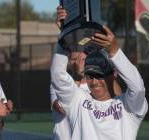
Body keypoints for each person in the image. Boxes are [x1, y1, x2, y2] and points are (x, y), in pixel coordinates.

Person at [50, 20, 148, 140]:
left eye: (100, 75)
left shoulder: (127, 107)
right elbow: (57, 74)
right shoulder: (78, 101)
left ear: (112, 75)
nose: (95, 82)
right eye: (90, 75)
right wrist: (65, 38)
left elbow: (137, 87)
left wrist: (115, 51)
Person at [50, 6, 122, 140]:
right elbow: (61, 107)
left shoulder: (99, 85)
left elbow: (118, 98)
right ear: (70, 63)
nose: (80, 60)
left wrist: (107, 75)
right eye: (74, 59)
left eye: (83, 58)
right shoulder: (59, 85)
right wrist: (65, 33)